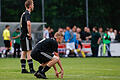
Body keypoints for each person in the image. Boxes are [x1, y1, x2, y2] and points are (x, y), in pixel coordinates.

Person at [20, 0, 35, 73]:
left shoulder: (24, 13)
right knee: (29, 51)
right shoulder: (27, 13)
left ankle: (23, 69)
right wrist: (29, 34)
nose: (33, 6)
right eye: (32, 4)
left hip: (22, 34)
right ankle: (31, 69)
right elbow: (28, 23)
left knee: (24, 52)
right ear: (29, 6)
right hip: (26, 35)